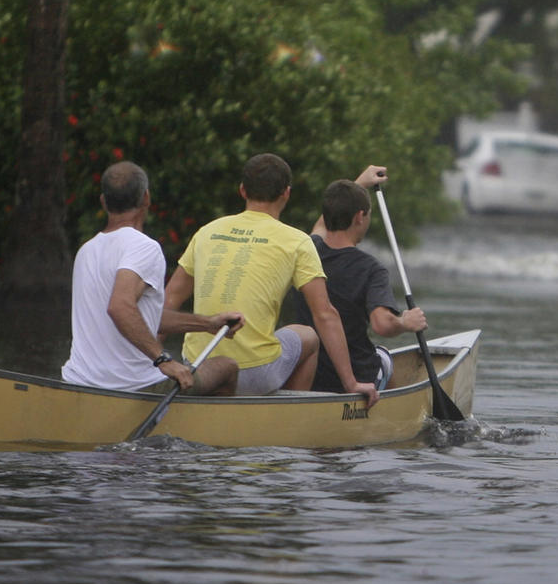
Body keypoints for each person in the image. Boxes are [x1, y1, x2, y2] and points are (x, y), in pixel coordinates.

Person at [164, 153, 379, 406]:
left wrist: (156, 362)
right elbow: (325, 314)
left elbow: (168, 300)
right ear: (286, 194)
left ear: (242, 190)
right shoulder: (297, 241)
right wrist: (351, 383)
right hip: (254, 376)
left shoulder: (206, 232)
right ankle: (288, 413)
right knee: (308, 335)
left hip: (197, 368)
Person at [62, 161, 243, 395]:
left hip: (77, 381)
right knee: (227, 367)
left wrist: (208, 324)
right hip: (135, 386)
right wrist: (163, 360)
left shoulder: (86, 250)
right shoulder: (145, 247)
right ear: (146, 198)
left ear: (103, 202)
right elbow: (120, 308)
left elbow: (139, 317)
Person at [289, 169, 426, 394]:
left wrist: (359, 184)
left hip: (309, 372)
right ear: (360, 217)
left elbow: (321, 226)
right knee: (384, 358)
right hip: (355, 377)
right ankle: (386, 410)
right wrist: (405, 321)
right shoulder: (371, 269)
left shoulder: (308, 250)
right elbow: (382, 325)